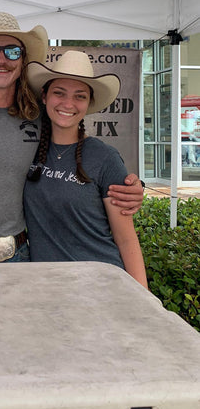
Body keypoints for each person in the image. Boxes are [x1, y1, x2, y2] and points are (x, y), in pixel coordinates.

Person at [0, 12, 144, 266]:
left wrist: (131, 187)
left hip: (17, 256)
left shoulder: (40, 117)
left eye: (12, 52)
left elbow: (80, 147)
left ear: (22, 62)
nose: (1, 60)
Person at [24, 51, 148, 288]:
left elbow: (126, 239)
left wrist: (146, 302)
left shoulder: (105, 157)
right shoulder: (26, 149)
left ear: (89, 103)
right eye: (59, 93)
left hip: (100, 285)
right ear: (44, 96)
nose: (68, 104)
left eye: (79, 96)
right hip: (45, 286)